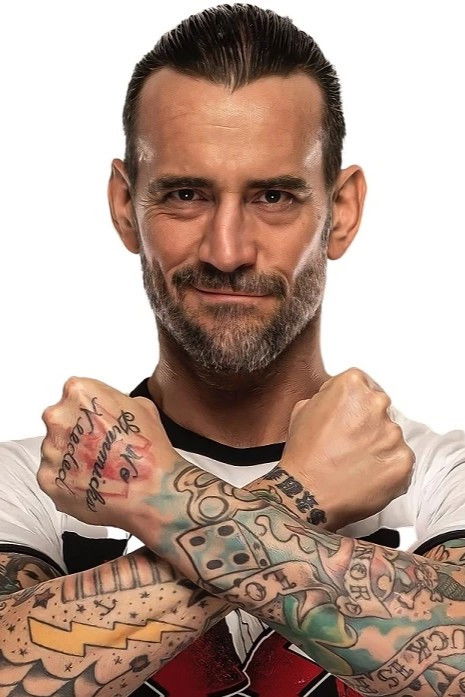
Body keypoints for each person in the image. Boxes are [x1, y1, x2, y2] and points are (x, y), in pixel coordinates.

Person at [1, 4, 465, 697]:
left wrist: (155, 496)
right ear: (125, 206)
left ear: (341, 212)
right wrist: (301, 498)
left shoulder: (439, 482)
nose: (227, 251)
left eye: (272, 196)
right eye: (186, 194)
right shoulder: (27, 487)